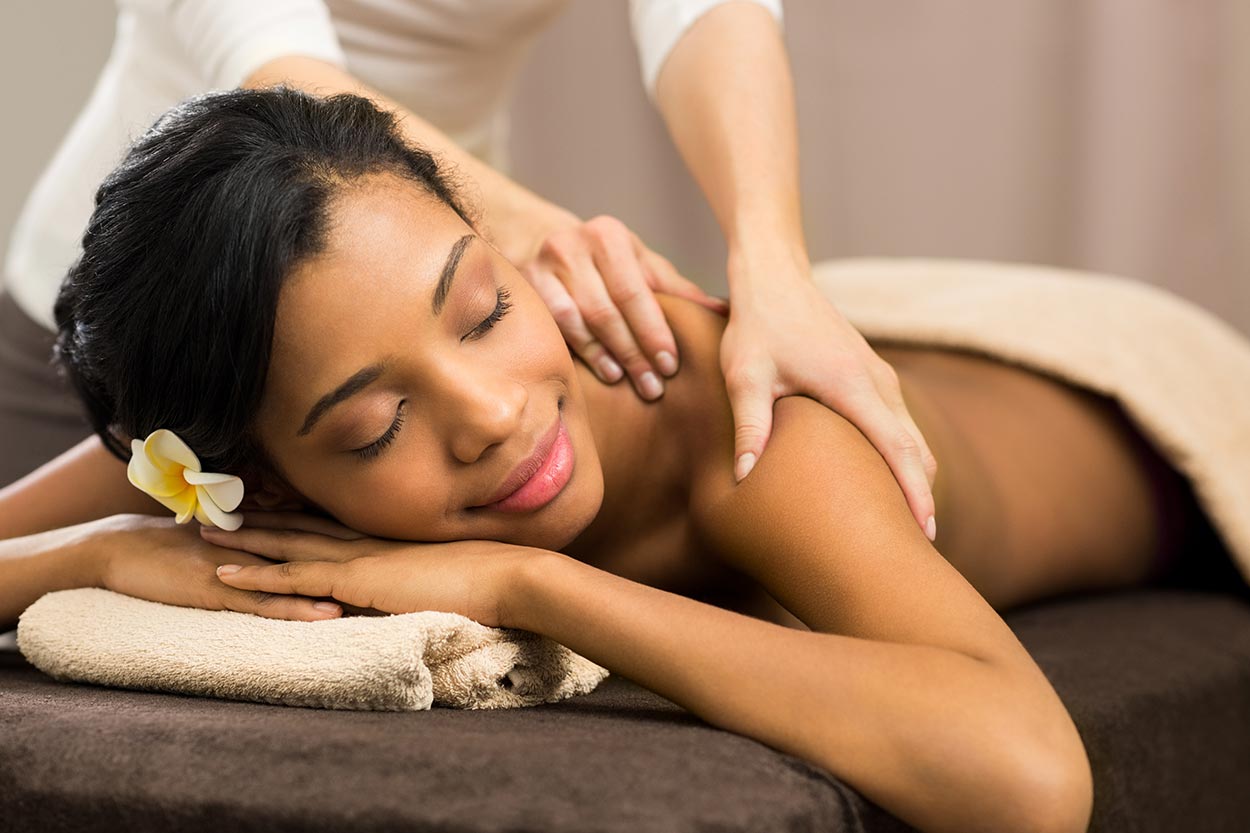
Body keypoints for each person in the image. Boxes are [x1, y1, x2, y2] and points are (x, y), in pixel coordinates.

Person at [6, 87, 1244, 833]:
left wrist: (531, 587)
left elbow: (1029, 781)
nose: (490, 412)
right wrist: (116, 552)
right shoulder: (266, 410)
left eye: (484, 306)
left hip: (1119, 382)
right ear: (259, 482)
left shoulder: (752, 438)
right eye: (375, 426)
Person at [0, 0, 939, 536]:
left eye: (492, 314)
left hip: (403, 271)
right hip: (130, 309)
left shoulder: (456, 384)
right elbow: (274, 67)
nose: (494, 414)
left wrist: (774, 265)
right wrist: (506, 242)